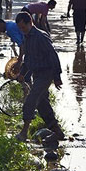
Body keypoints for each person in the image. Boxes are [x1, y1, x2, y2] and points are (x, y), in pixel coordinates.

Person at [13, 12, 65, 142]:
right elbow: (28, 59)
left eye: (23, 27)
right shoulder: (27, 37)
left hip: (46, 74)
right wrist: (22, 74)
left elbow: (53, 56)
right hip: (37, 74)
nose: (22, 30)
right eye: (20, 28)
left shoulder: (41, 36)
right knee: (42, 104)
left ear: (30, 23)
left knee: (31, 100)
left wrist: (57, 76)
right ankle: (57, 131)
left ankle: (24, 132)